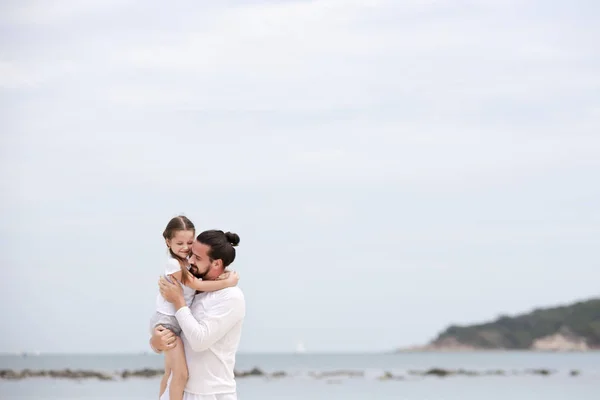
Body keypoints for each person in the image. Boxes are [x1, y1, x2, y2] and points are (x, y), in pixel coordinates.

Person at [151, 218, 240, 400]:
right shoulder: (194, 288)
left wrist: (178, 300)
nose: (190, 260)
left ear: (216, 263)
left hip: (211, 394)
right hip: (179, 393)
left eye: (196, 257)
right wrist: (155, 343)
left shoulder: (230, 297)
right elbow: (173, 330)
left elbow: (199, 341)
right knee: (170, 373)